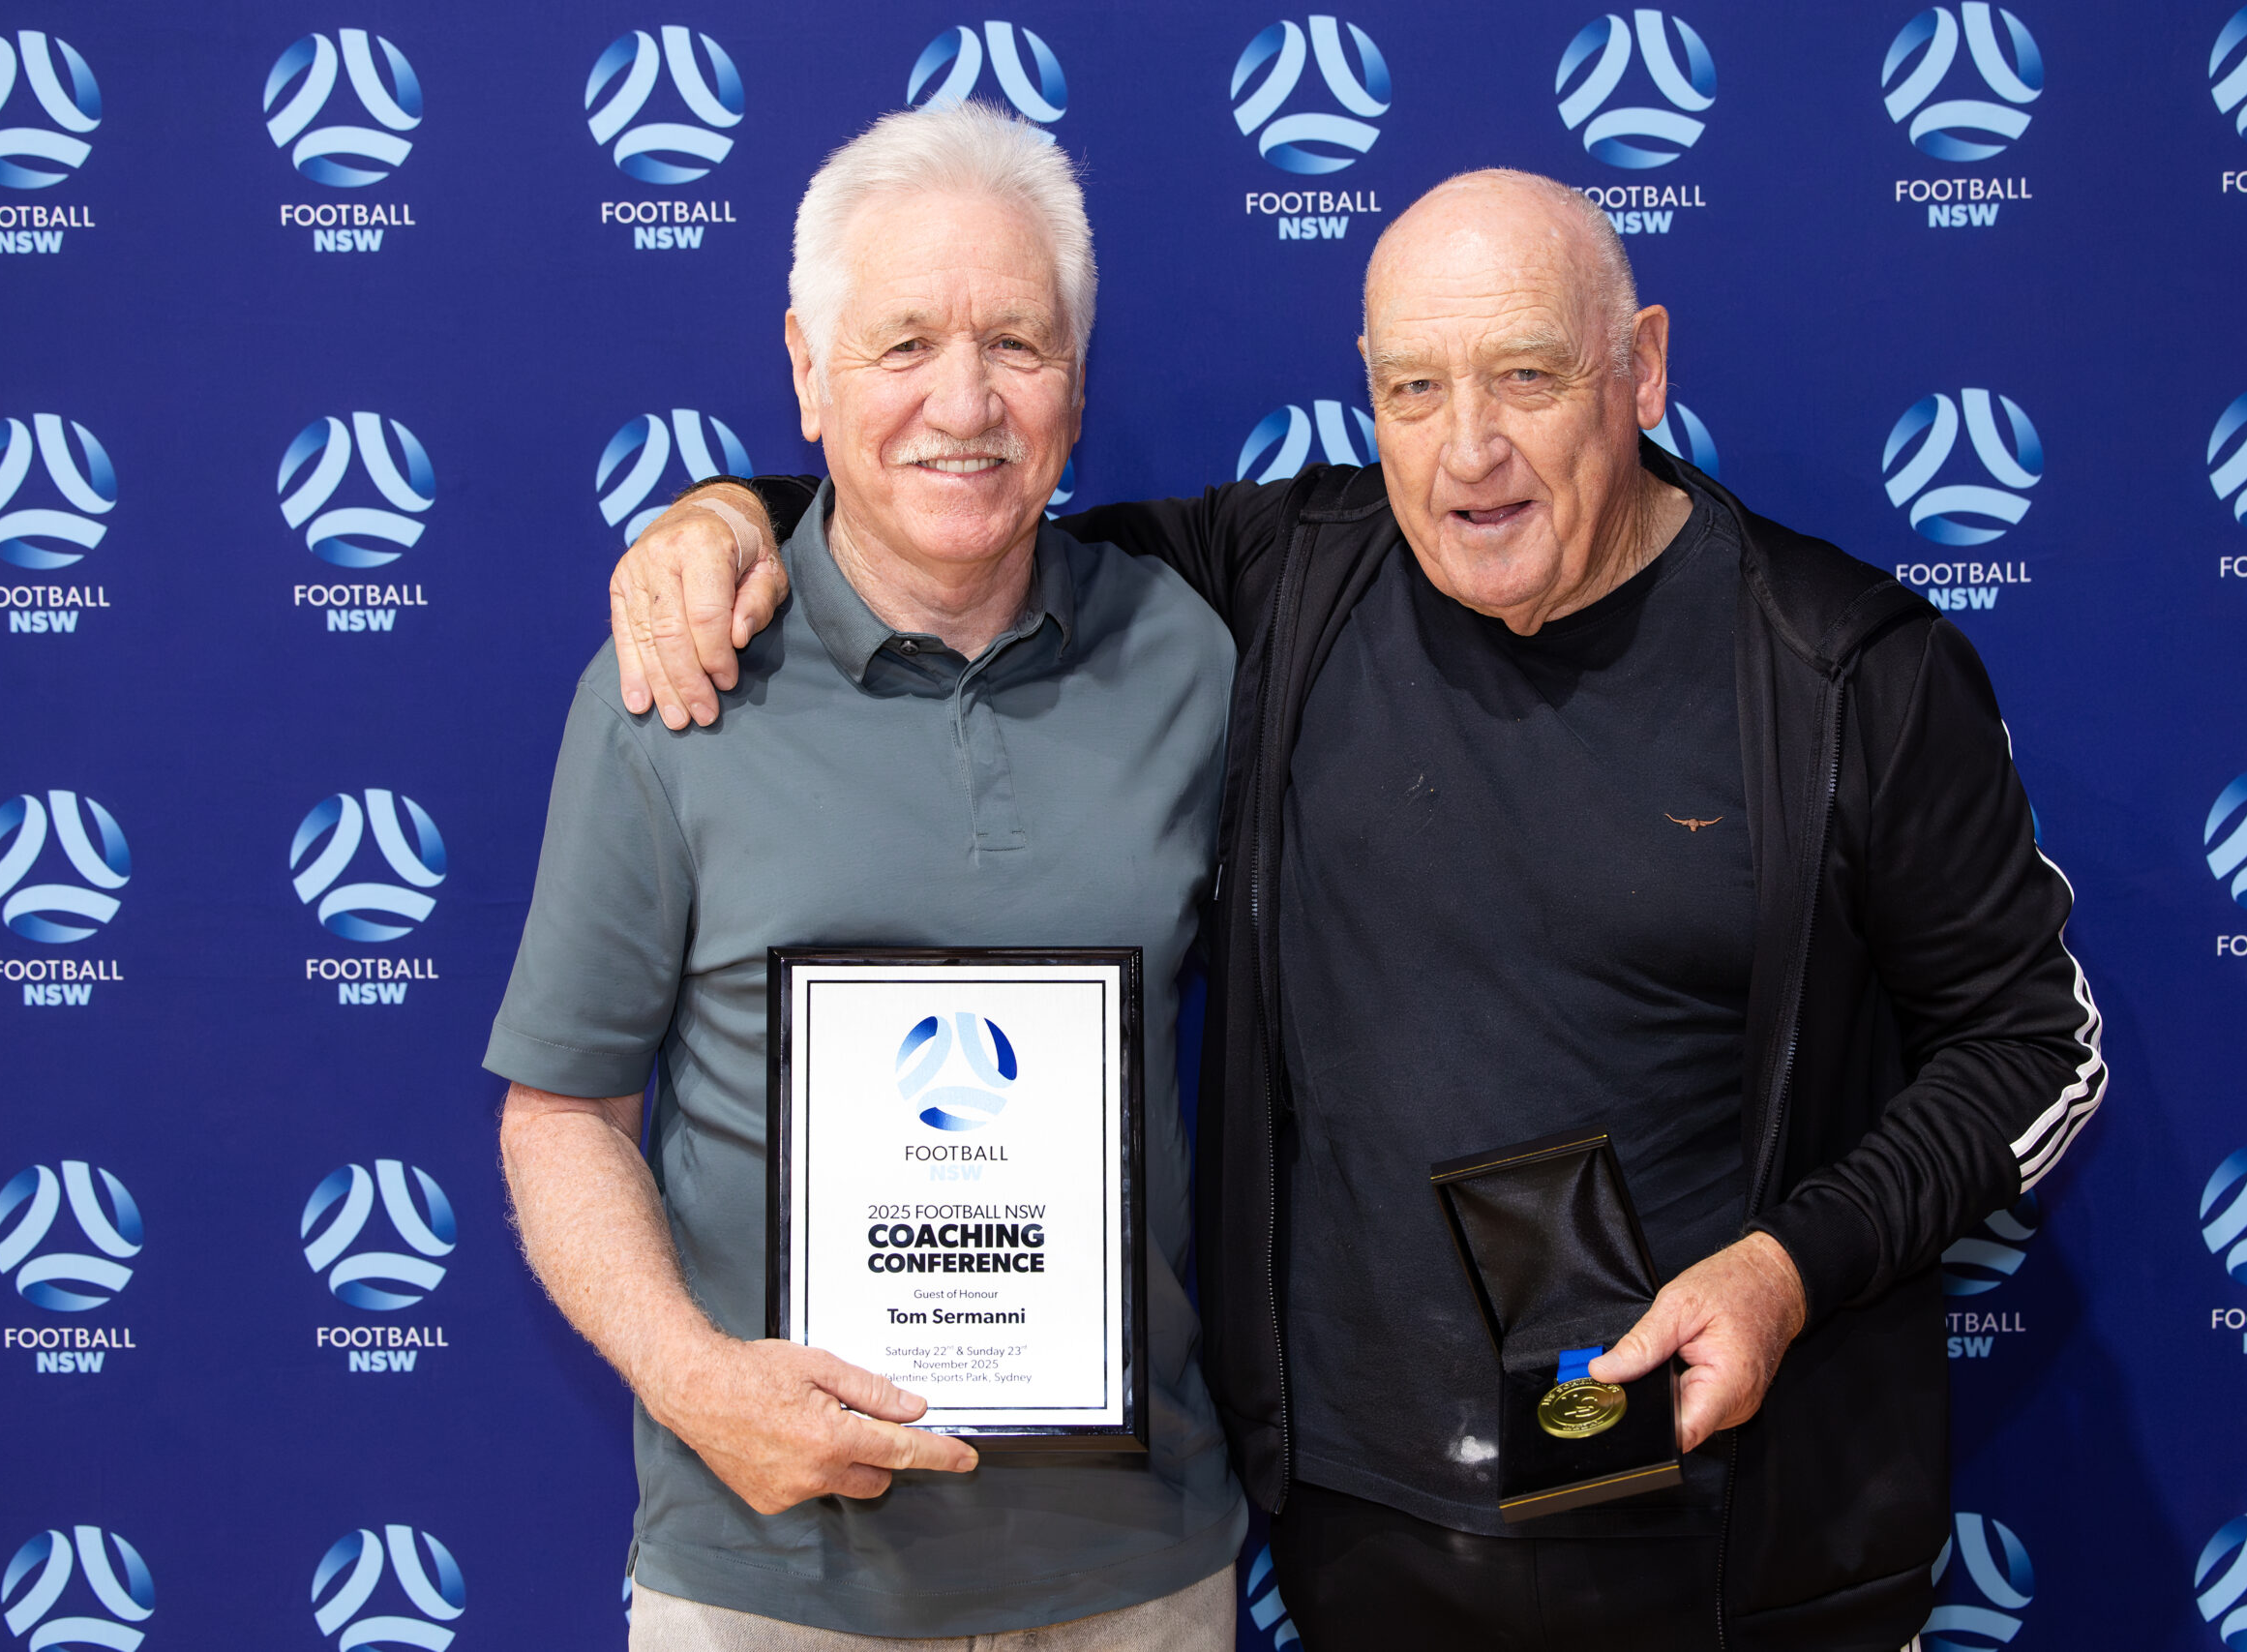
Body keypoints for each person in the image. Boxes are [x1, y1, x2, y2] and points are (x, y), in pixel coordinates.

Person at [608, 169, 2107, 1650]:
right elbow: (955, 514)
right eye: (1411, 388)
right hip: (1369, 1555)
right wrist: (733, 513)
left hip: (1738, 1557)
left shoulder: (1847, 675)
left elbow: (2037, 1048)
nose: (1470, 451)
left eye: (1527, 374)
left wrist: (1790, 1270)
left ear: (1641, 367)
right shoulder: (1288, 580)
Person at [489, 104, 1245, 1651]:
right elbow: (559, 1118)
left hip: (1138, 1581)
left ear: (1078, 384)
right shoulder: (676, 683)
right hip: (769, 1580)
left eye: (1015, 345)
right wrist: (696, 1382)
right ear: (805, 370)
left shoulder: (1194, 660)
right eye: (901, 343)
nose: (961, 401)